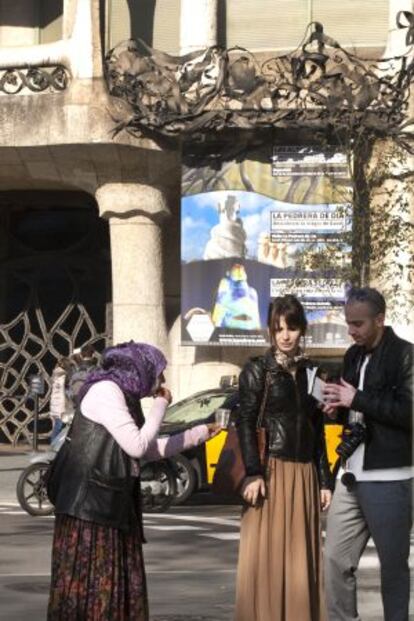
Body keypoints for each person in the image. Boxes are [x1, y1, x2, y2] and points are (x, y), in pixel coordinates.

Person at [46, 341, 220, 621]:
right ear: (140, 369)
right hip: (89, 510)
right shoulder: (106, 391)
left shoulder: (126, 396)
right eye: (158, 373)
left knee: (111, 590)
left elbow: (148, 448)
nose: (161, 381)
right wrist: (161, 404)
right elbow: (137, 446)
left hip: (111, 507)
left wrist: (200, 432)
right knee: (92, 589)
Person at [234, 294, 332, 621]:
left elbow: (317, 429)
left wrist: (324, 479)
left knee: (300, 558)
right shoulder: (257, 370)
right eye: (279, 329)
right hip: (270, 471)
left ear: (302, 329)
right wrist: (252, 472)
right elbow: (245, 422)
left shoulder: (314, 373)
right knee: (268, 556)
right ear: (270, 331)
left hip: (304, 474)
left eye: (291, 327)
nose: (285, 335)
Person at [323, 287, 413, 621]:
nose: (352, 330)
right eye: (348, 323)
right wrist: (336, 409)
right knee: (334, 560)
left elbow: (409, 412)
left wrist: (356, 400)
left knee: (393, 570)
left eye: (358, 323)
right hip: (350, 474)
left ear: (380, 319)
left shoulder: (405, 355)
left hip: (390, 477)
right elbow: (353, 405)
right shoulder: (353, 355)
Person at [49, 357, 74, 442]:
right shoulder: (62, 376)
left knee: (57, 425)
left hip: (55, 404)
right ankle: (54, 444)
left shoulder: (56, 374)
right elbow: (63, 392)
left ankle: (54, 444)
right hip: (60, 404)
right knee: (58, 426)